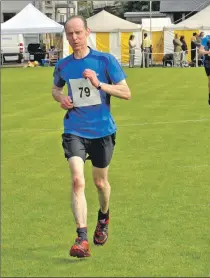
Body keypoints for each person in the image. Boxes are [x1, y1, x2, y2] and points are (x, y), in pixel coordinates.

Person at [51, 15, 131, 258]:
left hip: (102, 131)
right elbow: (56, 89)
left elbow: (126, 92)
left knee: (100, 183)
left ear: (87, 32)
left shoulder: (104, 60)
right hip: (74, 128)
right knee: (77, 181)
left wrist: (99, 84)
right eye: (70, 34)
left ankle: (104, 216)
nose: (74, 38)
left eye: (78, 33)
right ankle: (81, 238)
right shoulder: (63, 65)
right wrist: (61, 99)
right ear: (66, 36)